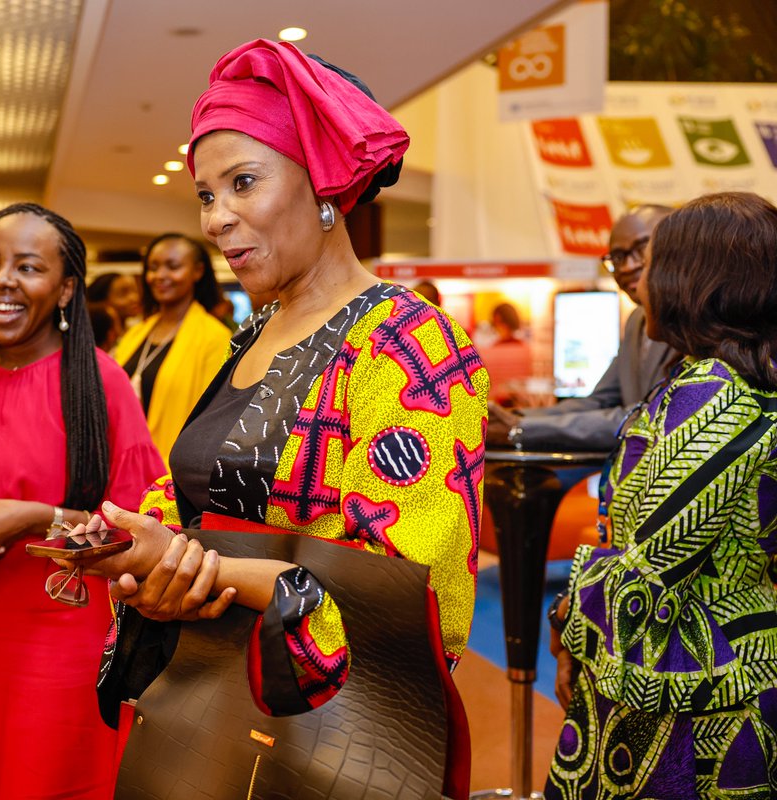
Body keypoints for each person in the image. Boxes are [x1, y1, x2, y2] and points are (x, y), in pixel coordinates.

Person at [68, 38, 487, 770]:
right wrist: (150, 556)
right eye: (205, 194)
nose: (215, 219)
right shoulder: (254, 331)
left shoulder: (408, 341)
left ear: (324, 184)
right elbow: (188, 490)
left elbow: (403, 582)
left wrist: (203, 569)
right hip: (212, 706)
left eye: (242, 183)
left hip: (332, 738)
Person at [0, 203, 164, 799]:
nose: (3, 280)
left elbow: (140, 531)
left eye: (27, 266)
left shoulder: (101, 384)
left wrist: (42, 520)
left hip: (67, 641)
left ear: (66, 290)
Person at [543, 191, 777, 797]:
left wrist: (569, 615)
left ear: (691, 279)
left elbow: (648, 566)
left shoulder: (714, 394)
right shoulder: (740, 378)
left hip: (696, 689)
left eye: (653, 262)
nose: (637, 280)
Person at [488, 205, 677, 452]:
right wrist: (517, 417)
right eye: (618, 257)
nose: (628, 266)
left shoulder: (690, 325)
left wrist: (523, 429)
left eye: (641, 250)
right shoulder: (635, 322)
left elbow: (648, 418)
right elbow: (599, 401)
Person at [114, 233, 232, 465]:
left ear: (197, 271)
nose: (160, 276)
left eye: (173, 266)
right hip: (121, 466)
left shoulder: (214, 338)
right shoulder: (137, 333)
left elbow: (209, 423)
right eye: (153, 267)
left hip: (169, 473)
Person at [482, 301, 533, 406]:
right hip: (501, 400)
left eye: (500, 322)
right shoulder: (524, 347)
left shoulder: (522, 348)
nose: (500, 327)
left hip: (516, 399)